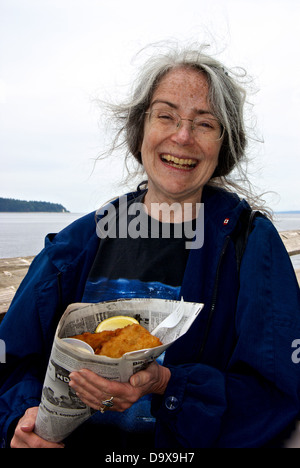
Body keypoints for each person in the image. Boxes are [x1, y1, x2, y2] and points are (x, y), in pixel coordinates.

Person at [0, 44, 300, 449]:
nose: (182, 136)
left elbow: (278, 394)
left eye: (205, 124)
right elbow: (11, 360)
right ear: (139, 127)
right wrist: (18, 421)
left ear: (224, 145)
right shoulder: (76, 245)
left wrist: (168, 386)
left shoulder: (251, 246)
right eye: (166, 116)